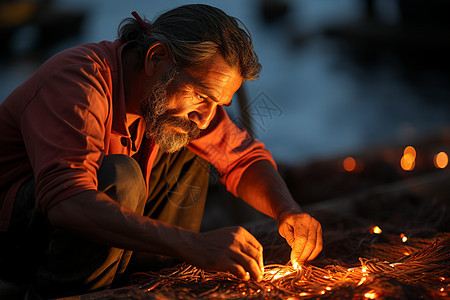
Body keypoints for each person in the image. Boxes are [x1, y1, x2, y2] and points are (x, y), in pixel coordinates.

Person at [0, 4, 322, 298]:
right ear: (156, 58)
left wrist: (287, 210)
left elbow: (244, 158)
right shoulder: (79, 83)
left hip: (93, 230)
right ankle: (69, 293)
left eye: (218, 104)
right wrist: (194, 245)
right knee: (120, 176)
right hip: (18, 239)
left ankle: (149, 283)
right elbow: (67, 202)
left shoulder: (175, 102)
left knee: (192, 145)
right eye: (202, 96)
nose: (207, 116)